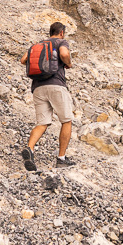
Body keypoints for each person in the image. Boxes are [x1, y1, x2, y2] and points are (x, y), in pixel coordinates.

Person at [20, 22, 76, 170]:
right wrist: (69, 63)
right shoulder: (60, 42)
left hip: (38, 88)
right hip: (56, 85)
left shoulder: (38, 45)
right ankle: (61, 159)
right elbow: (64, 54)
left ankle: (30, 149)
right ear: (62, 33)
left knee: (42, 123)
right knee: (67, 120)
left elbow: (23, 59)